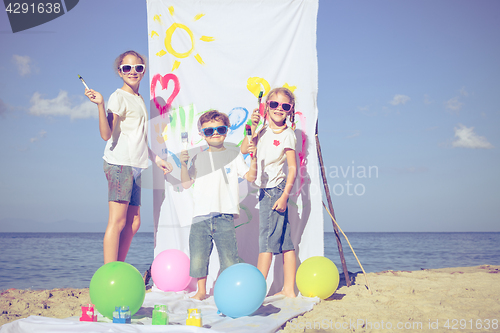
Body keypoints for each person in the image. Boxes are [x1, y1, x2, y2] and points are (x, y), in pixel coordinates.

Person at [84, 50, 173, 264]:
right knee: (117, 221)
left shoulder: (139, 98)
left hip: (137, 165)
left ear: (143, 71)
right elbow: (106, 134)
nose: (133, 71)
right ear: (120, 71)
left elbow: (138, 138)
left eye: (138, 68)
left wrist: (158, 160)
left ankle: (119, 268)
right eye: (127, 68)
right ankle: (109, 273)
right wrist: (101, 105)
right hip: (120, 164)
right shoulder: (118, 97)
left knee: (134, 224)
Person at [180, 110, 257, 300]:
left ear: (227, 131)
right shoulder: (198, 158)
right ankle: (201, 291)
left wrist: (254, 158)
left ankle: (229, 290)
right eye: (209, 131)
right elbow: (186, 183)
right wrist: (183, 165)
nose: (215, 133)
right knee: (199, 256)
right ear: (201, 135)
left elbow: (250, 177)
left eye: (220, 129)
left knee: (229, 258)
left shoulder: (234, 155)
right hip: (200, 216)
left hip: (225, 214)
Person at [241, 87, 298, 298]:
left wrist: (284, 196)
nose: (279, 109)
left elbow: (292, 168)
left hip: (275, 190)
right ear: (266, 107)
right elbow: (243, 149)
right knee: (285, 242)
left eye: (285, 106)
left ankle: (256, 292)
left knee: (266, 241)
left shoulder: (288, 135)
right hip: (267, 189)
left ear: (290, 111)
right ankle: (289, 290)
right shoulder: (262, 130)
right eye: (274, 104)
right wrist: (252, 126)